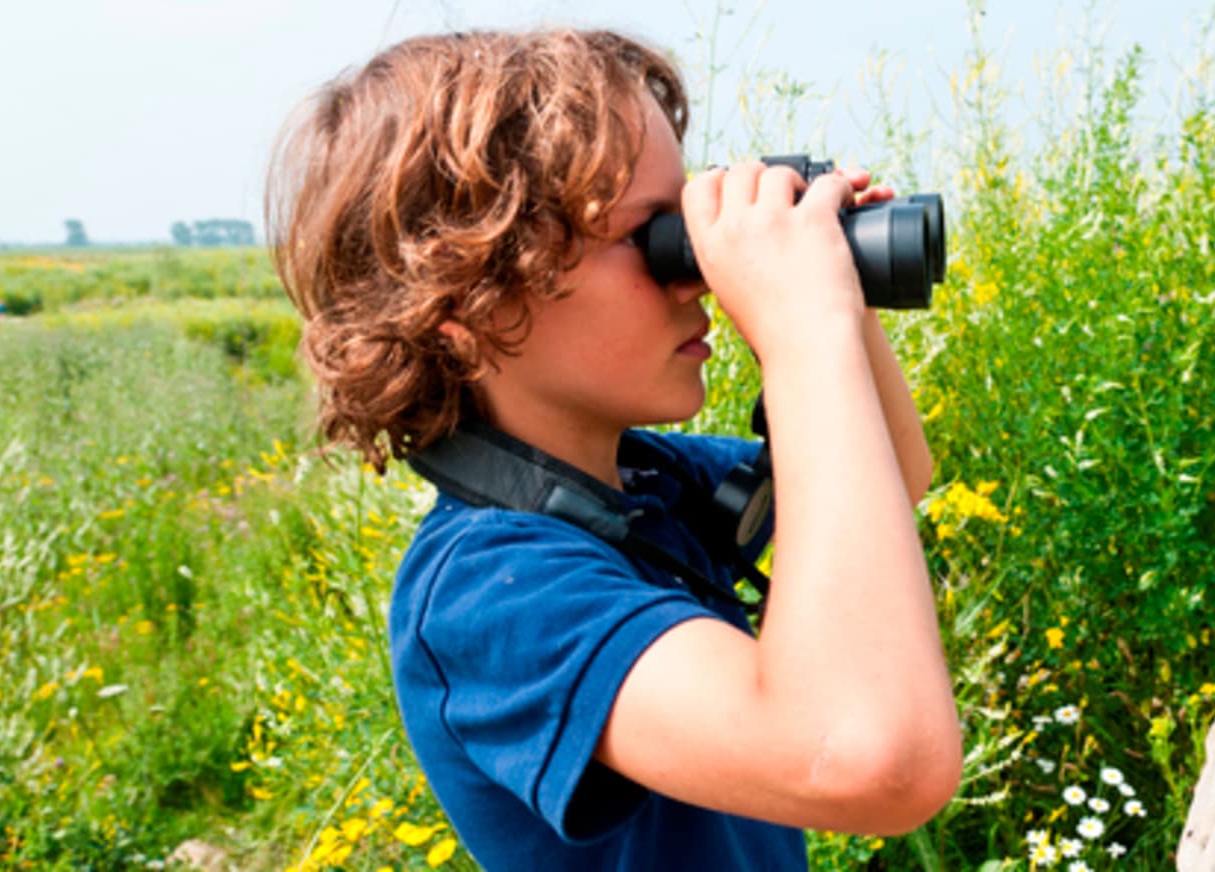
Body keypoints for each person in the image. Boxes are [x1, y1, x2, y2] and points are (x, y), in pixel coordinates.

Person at [266, 28, 962, 870]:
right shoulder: (488, 593)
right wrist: (802, 335)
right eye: (652, 236)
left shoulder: (645, 486)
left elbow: (893, 471)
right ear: (471, 302)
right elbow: (870, 761)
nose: (696, 273)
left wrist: (832, 295)